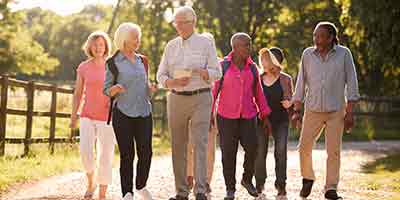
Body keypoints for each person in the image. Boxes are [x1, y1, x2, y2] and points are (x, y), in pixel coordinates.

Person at [156, 6, 221, 200]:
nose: (179, 26)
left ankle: (200, 191)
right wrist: (172, 82)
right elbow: (160, 75)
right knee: (178, 145)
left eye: (182, 22)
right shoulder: (171, 46)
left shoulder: (205, 43)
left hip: (201, 96)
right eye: (176, 23)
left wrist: (203, 72)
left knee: (200, 143)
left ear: (193, 22)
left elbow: (217, 72)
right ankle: (181, 192)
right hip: (176, 97)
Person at [292, 21, 360, 200]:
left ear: (331, 38)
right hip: (313, 109)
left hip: (336, 110)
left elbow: (352, 82)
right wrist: (297, 109)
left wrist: (350, 111)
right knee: (303, 148)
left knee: (333, 151)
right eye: (315, 35)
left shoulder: (344, 54)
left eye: (321, 36)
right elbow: (301, 82)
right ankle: (307, 177)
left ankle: (331, 188)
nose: (317, 39)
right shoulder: (307, 54)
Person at [212, 32, 272, 200]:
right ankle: (230, 188)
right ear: (235, 47)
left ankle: (246, 179)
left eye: (249, 44)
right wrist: (210, 114)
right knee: (228, 153)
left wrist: (265, 115)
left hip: (248, 115)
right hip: (226, 116)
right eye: (246, 45)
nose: (249, 48)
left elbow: (259, 93)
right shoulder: (223, 66)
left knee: (253, 148)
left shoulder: (252, 68)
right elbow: (214, 91)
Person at [103, 22, 155, 200]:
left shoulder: (144, 61)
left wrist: (151, 89)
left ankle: (141, 185)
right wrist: (114, 89)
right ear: (124, 40)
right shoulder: (112, 63)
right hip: (123, 113)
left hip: (144, 112)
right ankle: (127, 192)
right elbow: (106, 89)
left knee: (146, 152)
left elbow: (145, 87)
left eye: (138, 37)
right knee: (127, 154)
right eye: (134, 37)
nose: (138, 40)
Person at [70, 31, 115, 200]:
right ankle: (91, 181)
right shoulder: (83, 67)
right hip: (87, 114)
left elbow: (118, 88)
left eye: (101, 45)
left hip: (107, 116)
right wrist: (73, 116)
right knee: (85, 151)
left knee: (106, 154)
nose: (98, 48)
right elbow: (78, 93)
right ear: (90, 46)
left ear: (106, 47)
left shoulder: (112, 65)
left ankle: (102, 194)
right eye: (95, 45)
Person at [254, 47, 294, 197]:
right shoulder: (258, 78)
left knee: (281, 151)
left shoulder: (286, 79)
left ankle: (281, 184)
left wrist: (289, 103)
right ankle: (259, 184)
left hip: (280, 120)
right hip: (261, 120)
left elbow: (291, 97)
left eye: (266, 59)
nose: (263, 62)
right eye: (262, 59)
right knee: (260, 152)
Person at [186, 32, 218, 198]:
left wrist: (213, 112)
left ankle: (205, 181)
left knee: (209, 150)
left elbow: (219, 92)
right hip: (192, 110)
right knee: (190, 146)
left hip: (211, 112)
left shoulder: (217, 65)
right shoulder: (191, 62)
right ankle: (190, 177)